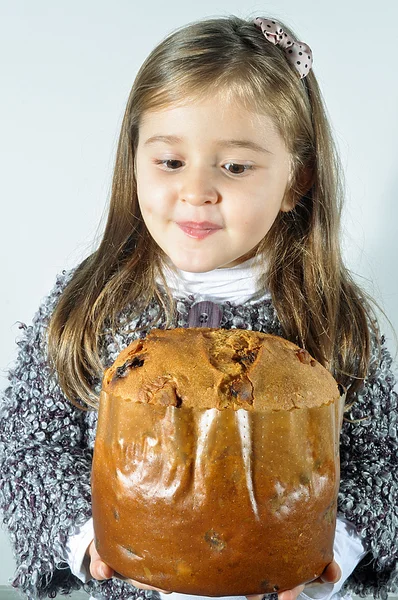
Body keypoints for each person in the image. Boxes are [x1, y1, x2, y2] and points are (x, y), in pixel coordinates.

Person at [0, 13, 397, 600]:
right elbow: (25, 445)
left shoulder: (332, 320)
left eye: (235, 167)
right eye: (170, 161)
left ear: (297, 179)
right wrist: (89, 539)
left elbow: (382, 463)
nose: (197, 190)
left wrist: (326, 553)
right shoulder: (90, 304)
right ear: (133, 161)